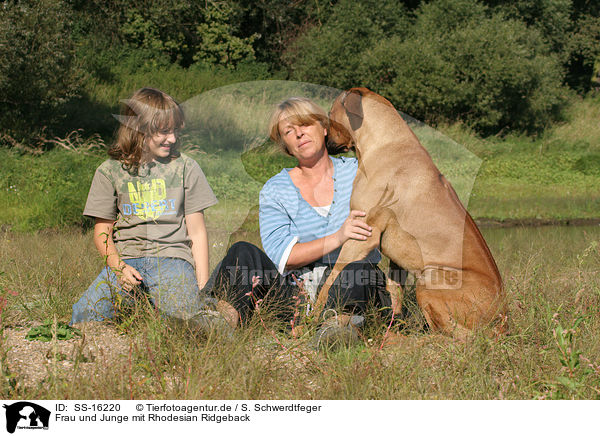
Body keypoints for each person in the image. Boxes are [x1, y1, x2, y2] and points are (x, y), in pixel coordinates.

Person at [205, 97, 390, 343]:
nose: (299, 134)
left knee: (357, 267)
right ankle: (219, 325)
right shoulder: (276, 188)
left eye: (305, 124)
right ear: (286, 147)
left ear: (324, 129)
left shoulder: (359, 171)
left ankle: (334, 331)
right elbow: (285, 258)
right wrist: (338, 237)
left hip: (351, 281)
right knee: (242, 251)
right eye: (289, 132)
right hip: (295, 293)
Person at [71, 87, 218, 324]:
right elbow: (102, 233)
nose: (172, 139)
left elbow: (198, 233)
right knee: (82, 317)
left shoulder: (186, 168)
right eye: (163, 131)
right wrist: (119, 269)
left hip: (172, 261)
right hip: (126, 262)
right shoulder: (109, 171)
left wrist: (202, 288)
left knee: (189, 323)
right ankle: (139, 303)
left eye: (174, 131)